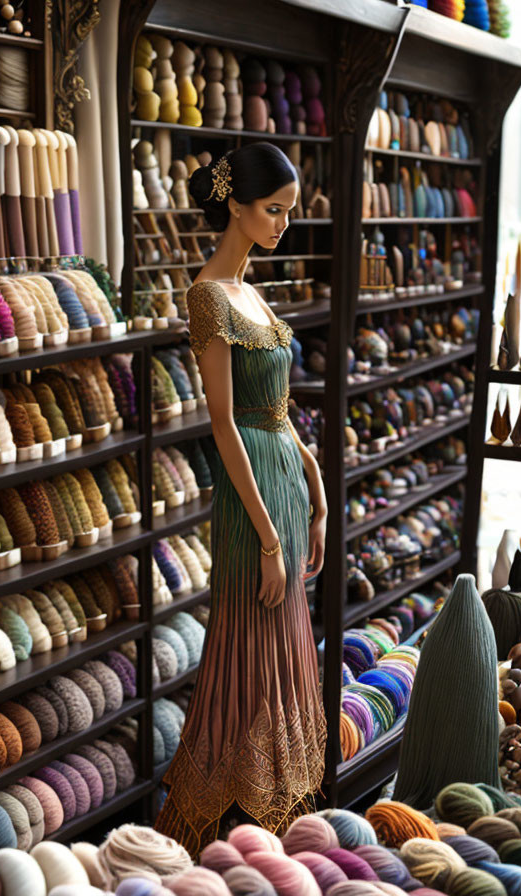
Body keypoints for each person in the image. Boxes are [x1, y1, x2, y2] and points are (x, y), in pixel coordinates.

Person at [154, 142, 328, 855]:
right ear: (236, 206)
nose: (283, 223)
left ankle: (272, 817)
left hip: (284, 477)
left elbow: (282, 411)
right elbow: (223, 425)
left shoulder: (254, 292)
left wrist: (316, 494)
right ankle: (229, 817)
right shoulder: (207, 296)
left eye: (289, 212)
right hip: (249, 492)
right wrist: (267, 539)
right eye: (273, 210)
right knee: (247, 644)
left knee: (285, 644)